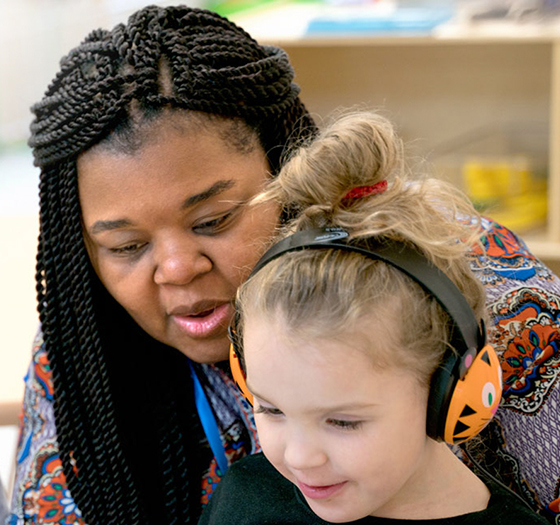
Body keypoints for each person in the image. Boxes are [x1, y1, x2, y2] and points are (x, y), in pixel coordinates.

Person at [6, 4, 560, 525]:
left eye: (213, 220)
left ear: (287, 170)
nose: (177, 268)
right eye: (126, 247)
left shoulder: (472, 294)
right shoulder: (82, 354)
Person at [198, 111, 551, 524]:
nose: (299, 457)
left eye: (343, 422)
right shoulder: (243, 500)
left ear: (452, 395)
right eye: (272, 410)